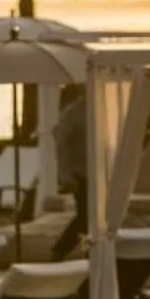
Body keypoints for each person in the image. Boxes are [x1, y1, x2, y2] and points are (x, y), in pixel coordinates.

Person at [49, 86, 89, 257]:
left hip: (96, 173)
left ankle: (87, 252)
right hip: (80, 173)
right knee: (86, 215)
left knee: (91, 216)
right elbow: (60, 139)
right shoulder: (74, 112)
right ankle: (60, 250)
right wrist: (66, 175)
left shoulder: (102, 110)